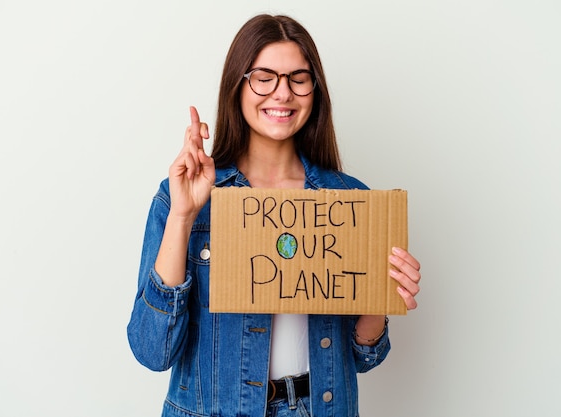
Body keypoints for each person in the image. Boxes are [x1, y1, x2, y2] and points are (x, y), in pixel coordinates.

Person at [127, 14, 421, 417]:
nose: (282, 94)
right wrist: (182, 215)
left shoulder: (350, 200)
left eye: (298, 78)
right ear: (239, 85)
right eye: (264, 77)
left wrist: (380, 295)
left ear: (314, 91)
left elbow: (365, 358)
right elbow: (152, 351)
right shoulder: (185, 197)